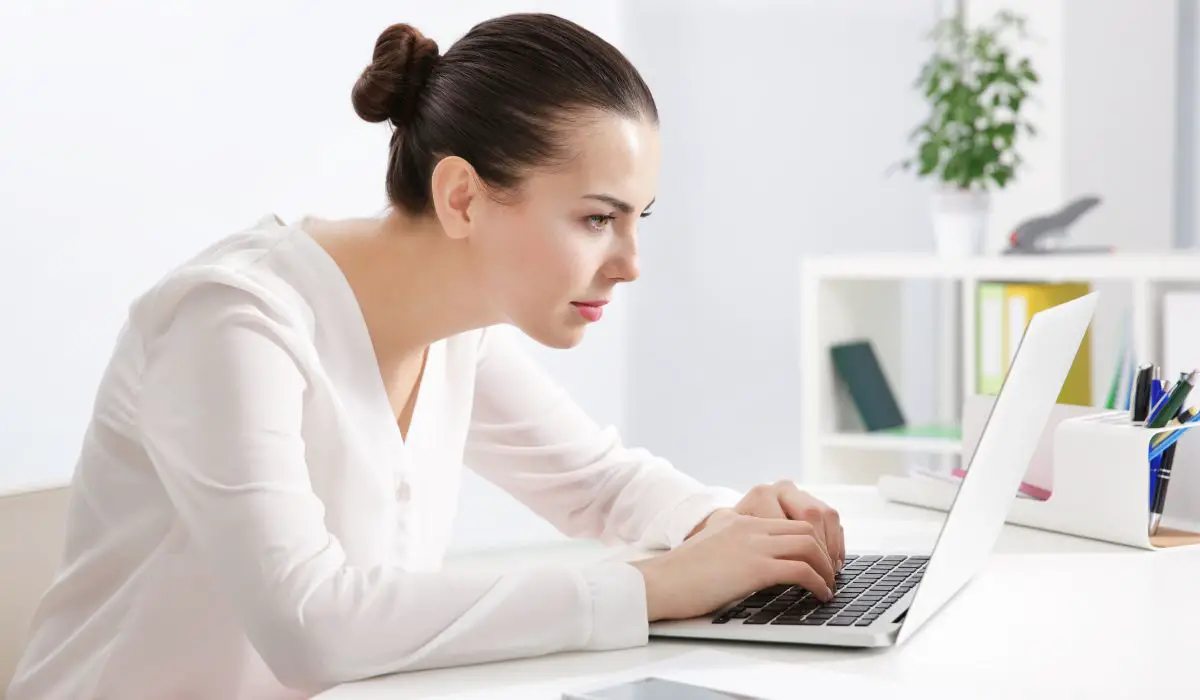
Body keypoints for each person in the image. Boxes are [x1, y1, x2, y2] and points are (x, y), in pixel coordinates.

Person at [8, 13, 844, 700]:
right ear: (461, 198)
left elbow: (598, 482)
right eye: (597, 219)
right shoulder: (233, 322)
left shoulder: (456, 328)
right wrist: (658, 586)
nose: (630, 263)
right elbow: (313, 626)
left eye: (638, 220)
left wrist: (728, 528)